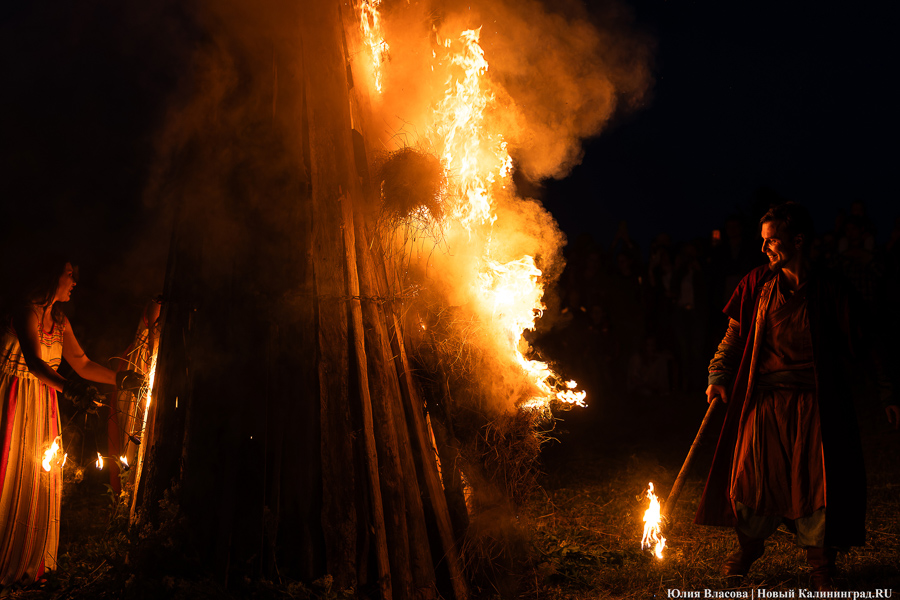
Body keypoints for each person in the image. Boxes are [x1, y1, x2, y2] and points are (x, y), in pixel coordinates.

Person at [694, 202, 899, 591]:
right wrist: (718, 373)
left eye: (772, 241)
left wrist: (889, 392)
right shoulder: (756, 284)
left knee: (816, 482)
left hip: (814, 404)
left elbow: (870, 341)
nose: (764, 248)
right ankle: (747, 550)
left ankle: (821, 563)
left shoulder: (830, 288)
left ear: (798, 240)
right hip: (765, 401)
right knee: (753, 477)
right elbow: (734, 334)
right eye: (763, 241)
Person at [0, 256, 142, 586]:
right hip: (14, 400)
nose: (74, 281)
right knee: (9, 472)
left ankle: (29, 563)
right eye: (68, 274)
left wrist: (120, 379)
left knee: (36, 479)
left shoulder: (59, 320)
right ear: (52, 276)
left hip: (43, 404)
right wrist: (72, 390)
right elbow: (35, 363)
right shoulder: (27, 312)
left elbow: (81, 362)